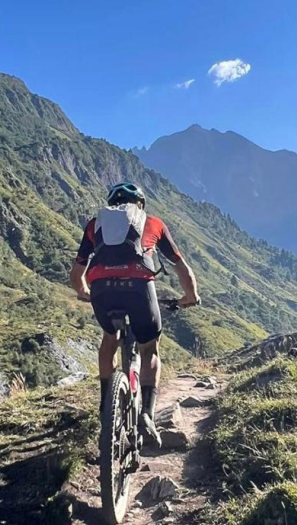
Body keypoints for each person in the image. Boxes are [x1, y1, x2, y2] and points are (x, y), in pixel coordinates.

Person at [70, 182, 200, 446]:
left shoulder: (95, 225)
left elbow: (76, 274)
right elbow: (180, 266)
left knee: (109, 339)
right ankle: (147, 414)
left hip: (102, 289)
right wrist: (190, 297)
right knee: (149, 349)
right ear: (140, 204)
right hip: (139, 288)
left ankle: (107, 404)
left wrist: (84, 292)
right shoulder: (153, 223)